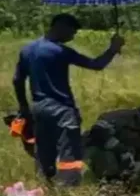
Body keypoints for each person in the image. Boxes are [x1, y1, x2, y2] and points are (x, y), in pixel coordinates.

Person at [13, 13, 125, 186]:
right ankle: (68, 190)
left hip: (39, 109)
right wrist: (113, 49)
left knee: (44, 151)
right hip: (62, 110)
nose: (72, 37)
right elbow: (96, 65)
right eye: (72, 32)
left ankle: (45, 187)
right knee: (69, 154)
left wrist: (24, 106)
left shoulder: (27, 50)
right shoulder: (60, 51)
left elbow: (17, 80)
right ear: (61, 27)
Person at [83, 106, 140, 187]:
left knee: (139, 173)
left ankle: (122, 178)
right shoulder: (121, 117)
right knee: (109, 165)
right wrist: (121, 150)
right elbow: (97, 132)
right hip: (95, 147)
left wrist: (138, 168)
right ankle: (108, 179)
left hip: (123, 155)